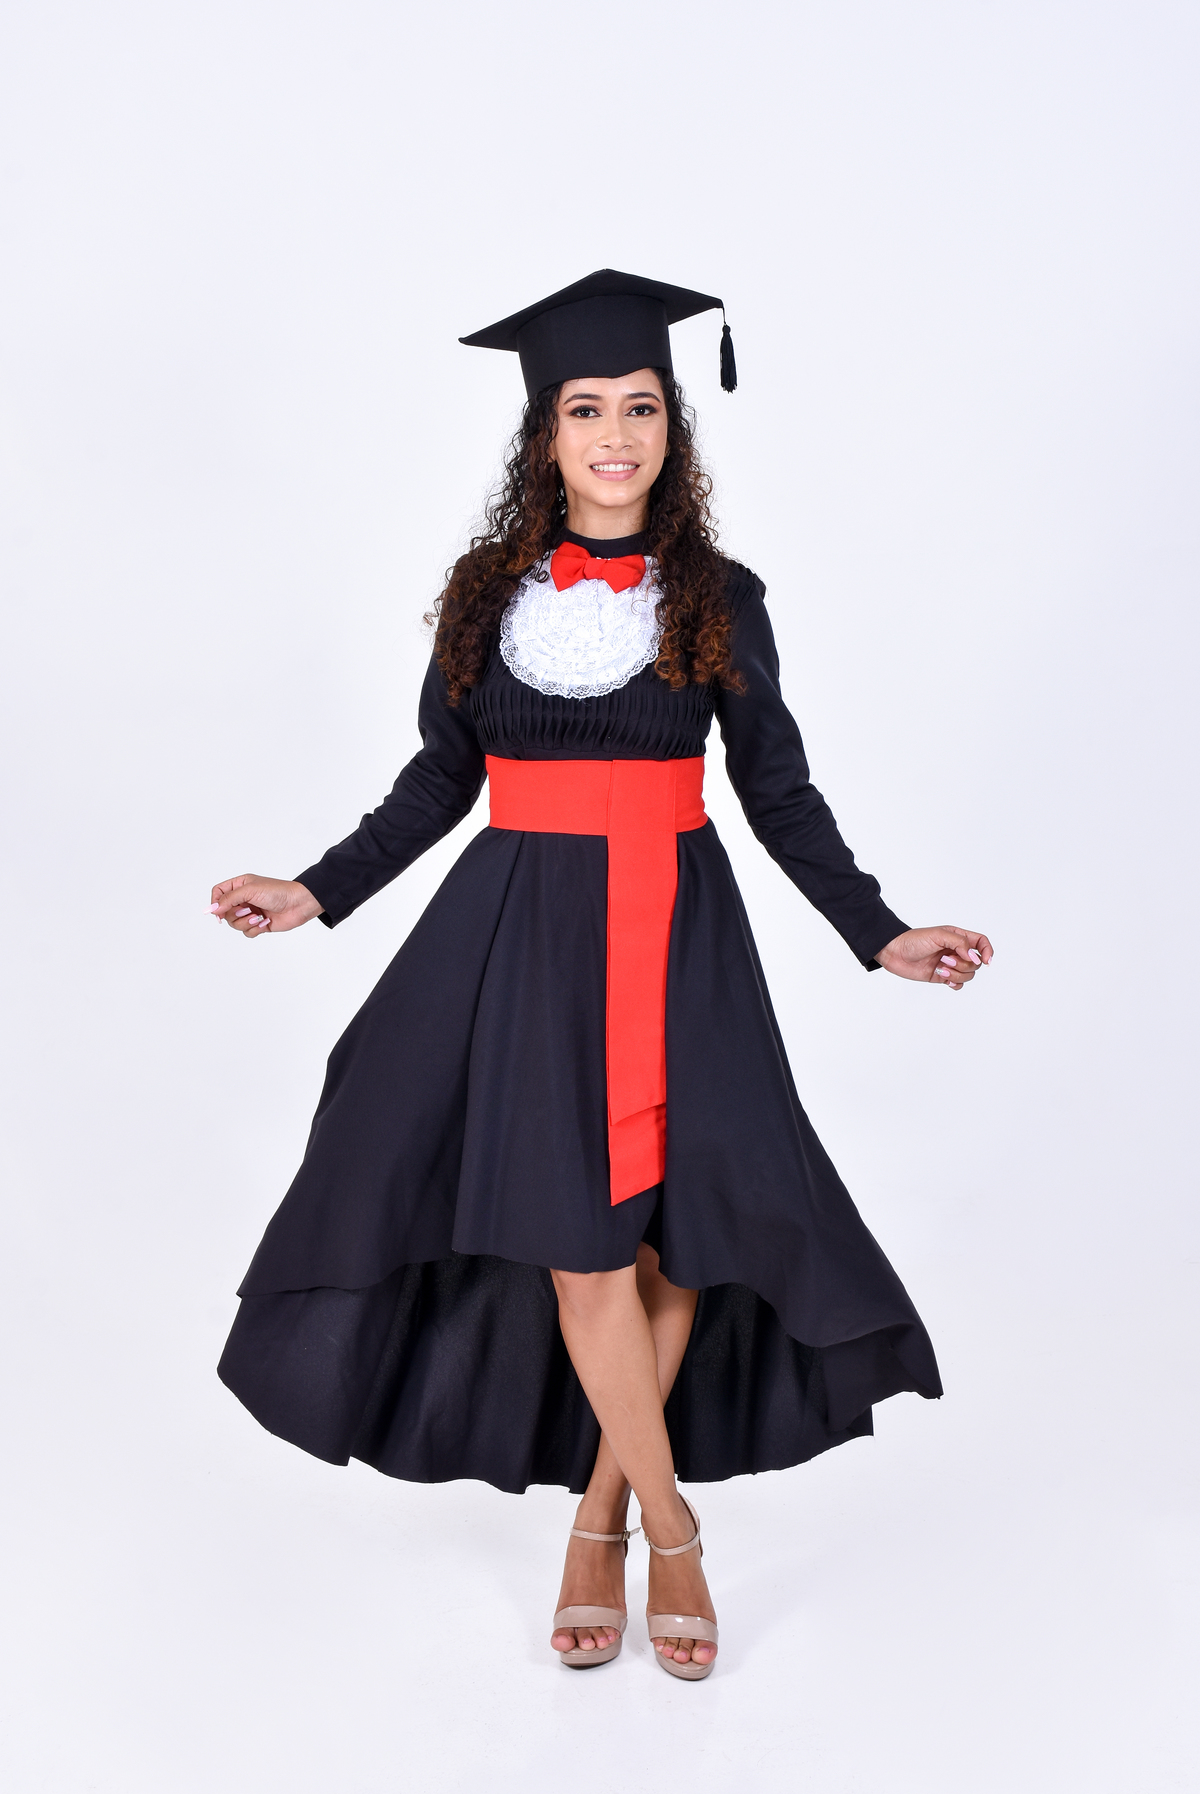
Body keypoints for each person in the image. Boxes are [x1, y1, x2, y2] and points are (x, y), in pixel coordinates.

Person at [211, 269, 992, 1681]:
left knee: (678, 1234)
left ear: (673, 430)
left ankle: (597, 1517)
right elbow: (439, 780)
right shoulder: (484, 595)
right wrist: (316, 890)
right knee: (582, 1246)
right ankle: (668, 1533)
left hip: (681, 934)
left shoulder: (721, 598)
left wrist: (877, 931)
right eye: (586, 410)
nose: (616, 435)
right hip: (523, 936)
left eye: (641, 408)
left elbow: (777, 790)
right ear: (544, 435)